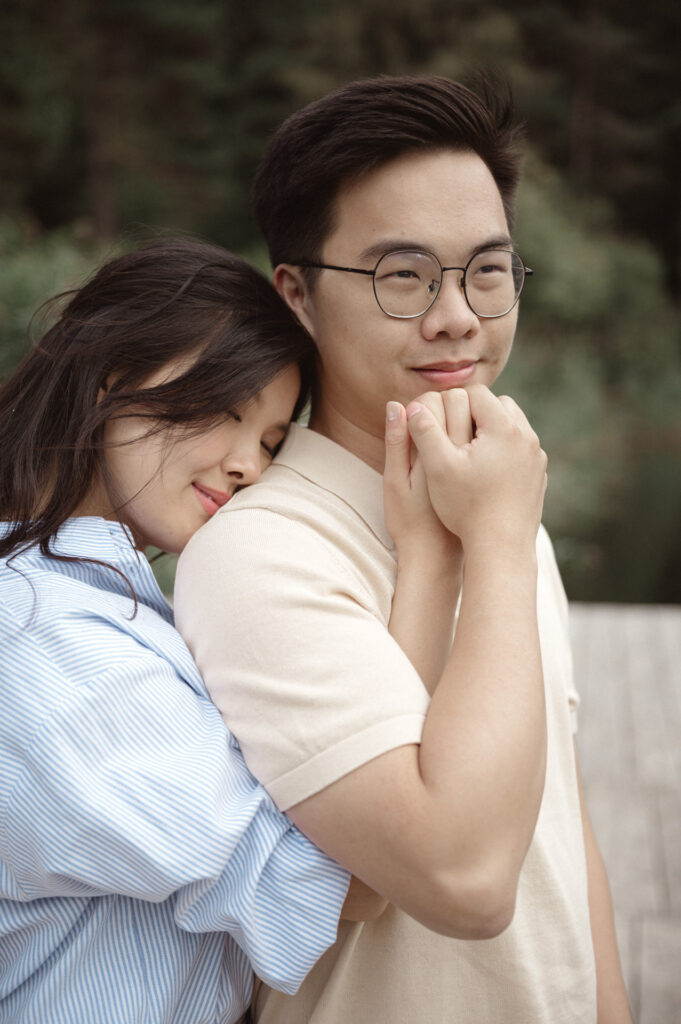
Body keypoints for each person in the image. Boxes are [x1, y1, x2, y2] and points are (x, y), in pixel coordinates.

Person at [174, 77, 633, 1023]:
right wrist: (498, 542)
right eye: (403, 275)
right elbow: (462, 881)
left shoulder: (498, 503)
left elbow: (559, 820)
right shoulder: (259, 554)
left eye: (487, 270)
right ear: (297, 295)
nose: (457, 315)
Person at [0, 239, 358, 1024]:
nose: (247, 467)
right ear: (110, 375)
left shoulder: (98, 598)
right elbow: (334, 884)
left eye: (269, 442)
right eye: (222, 412)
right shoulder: (39, 635)